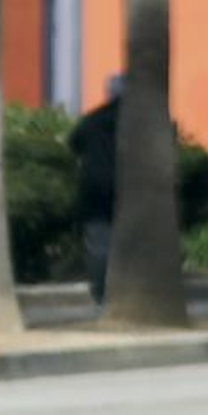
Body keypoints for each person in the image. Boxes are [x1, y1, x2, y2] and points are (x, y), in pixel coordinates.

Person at [67, 75, 124, 305]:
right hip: (129, 190)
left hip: (95, 188)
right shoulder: (141, 121)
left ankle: (101, 292)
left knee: (99, 243)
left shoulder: (92, 120)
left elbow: (73, 144)